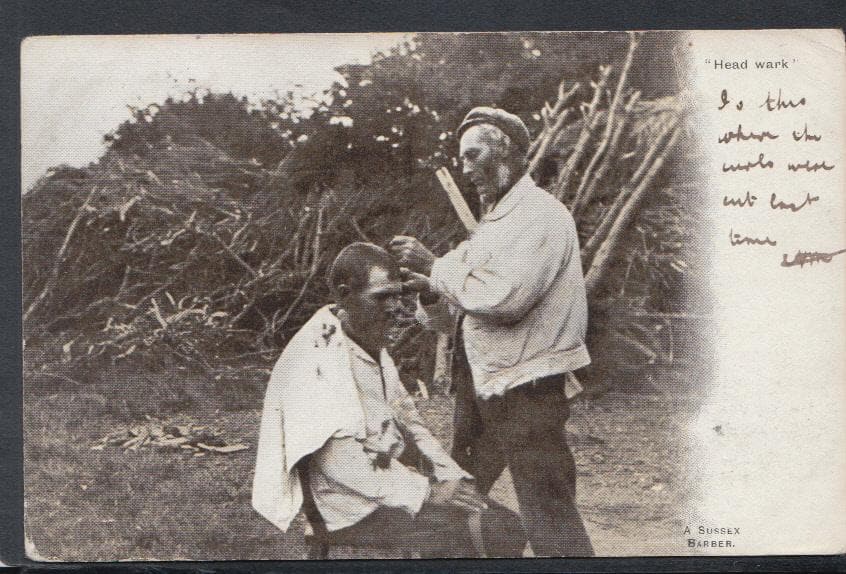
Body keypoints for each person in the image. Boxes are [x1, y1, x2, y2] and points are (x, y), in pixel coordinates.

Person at [389, 107, 595, 557]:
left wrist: (434, 266)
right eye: (462, 159)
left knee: (548, 509)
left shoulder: (541, 215)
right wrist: (430, 291)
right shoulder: (493, 227)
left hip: (528, 387)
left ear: (508, 153)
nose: (466, 169)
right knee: (460, 493)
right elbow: (455, 319)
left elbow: (503, 301)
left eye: (473, 155)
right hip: (484, 384)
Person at [252, 242, 527, 558]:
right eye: (382, 296)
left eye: (397, 295)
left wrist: (449, 475)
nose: (395, 307)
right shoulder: (316, 359)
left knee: (506, 524)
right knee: (489, 531)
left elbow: (410, 423)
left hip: (386, 483)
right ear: (344, 294)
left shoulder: (365, 340)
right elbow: (340, 464)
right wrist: (427, 491)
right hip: (348, 506)